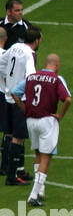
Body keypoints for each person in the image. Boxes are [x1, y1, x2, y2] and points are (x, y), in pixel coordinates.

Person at [11, 51, 70, 207]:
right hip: (47, 120)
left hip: (31, 121)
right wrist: (60, 115)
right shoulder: (57, 79)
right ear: (56, 65)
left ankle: (41, 189)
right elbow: (68, 99)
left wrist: (25, 109)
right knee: (46, 156)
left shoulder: (31, 77)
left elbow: (14, 93)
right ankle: (34, 194)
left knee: (37, 153)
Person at [0, 26, 39, 186]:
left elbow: (2, 63)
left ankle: (12, 170)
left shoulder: (15, 46)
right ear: (36, 41)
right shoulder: (30, 55)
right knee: (19, 138)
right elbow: (30, 77)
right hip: (19, 100)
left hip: (8, 96)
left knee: (9, 134)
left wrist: (8, 82)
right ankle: (11, 176)